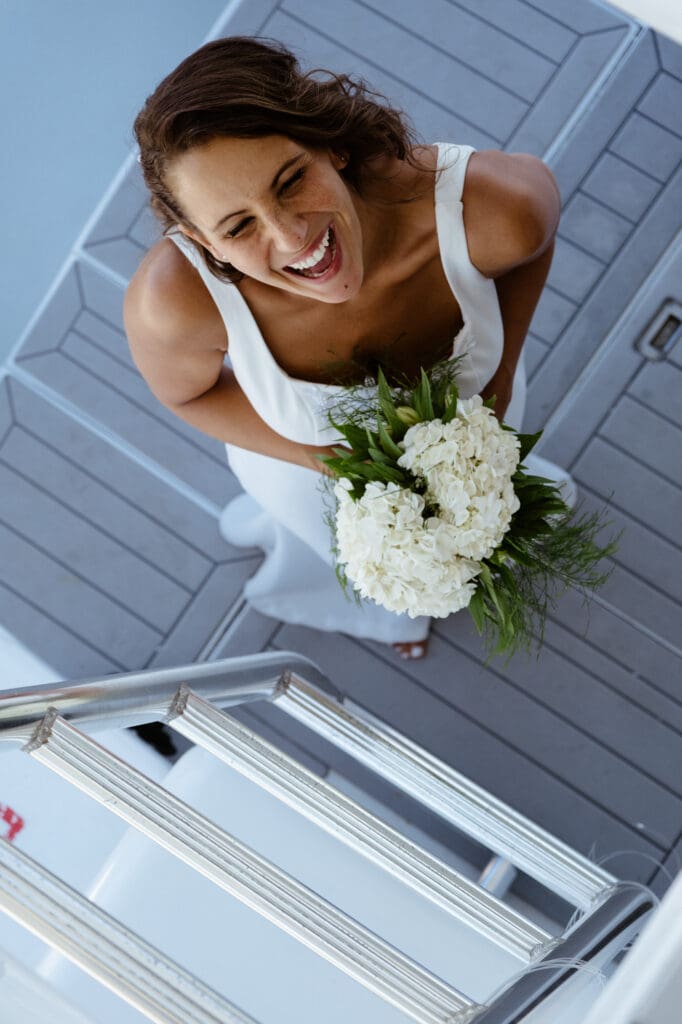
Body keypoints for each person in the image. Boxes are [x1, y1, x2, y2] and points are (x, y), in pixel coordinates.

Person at [125, 36, 573, 660]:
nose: (290, 235)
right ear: (201, 242)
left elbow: (538, 237)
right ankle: (393, 615)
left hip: (479, 428)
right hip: (298, 472)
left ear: (329, 143)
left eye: (291, 180)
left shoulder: (491, 210)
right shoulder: (172, 305)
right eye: (238, 226)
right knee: (334, 551)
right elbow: (187, 394)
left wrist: (497, 380)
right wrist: (322, 461)